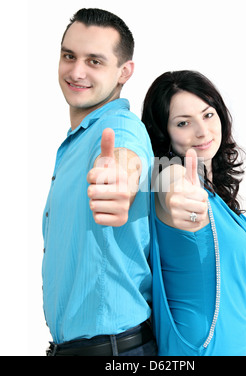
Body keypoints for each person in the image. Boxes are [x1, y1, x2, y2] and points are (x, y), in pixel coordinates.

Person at [42, 8, 157, 356]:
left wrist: (120, 179)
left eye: (94, 61)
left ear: (124, 72)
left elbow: (125, 155)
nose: (76, 71)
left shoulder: (119, 128)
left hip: (116, 352)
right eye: (69, 56)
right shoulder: (76, 142)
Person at [142, 70, 246, 356]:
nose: (202, 131)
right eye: (183, 123)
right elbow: (168, 183)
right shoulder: (167, 174)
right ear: (163, 132)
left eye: (207, 115)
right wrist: (177, 195)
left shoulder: (214, 194)